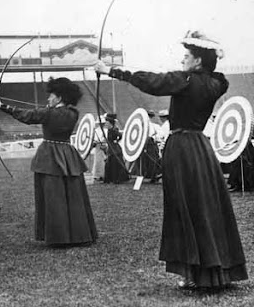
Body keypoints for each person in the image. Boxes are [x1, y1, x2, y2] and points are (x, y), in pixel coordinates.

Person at [95, 30, 248, 289]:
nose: (182, 61)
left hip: (181, 148)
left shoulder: (186, 80)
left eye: (187, 56)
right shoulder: (216, 83)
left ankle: (194, 274)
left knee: (184, 207)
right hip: (201, 147)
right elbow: (215, 77)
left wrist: (111, 70)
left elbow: (153, 82)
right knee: (207, 206)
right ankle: (215, 271)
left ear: (198, 61)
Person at [0, 77, 97, 246]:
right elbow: (42, 114)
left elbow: (27, 116)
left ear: (60, 97)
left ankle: (58, 237)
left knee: (53, 195)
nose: (48, 99)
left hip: (50, 155)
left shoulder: (48, 113)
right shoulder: (73, 113)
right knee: (73, 194)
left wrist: (2, 106)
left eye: (51, 96)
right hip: (68, 153)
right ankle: (79, 234)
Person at [103, 113, 130, 184]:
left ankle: (116, 178)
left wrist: (116, 141)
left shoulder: (114, 129)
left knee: (115, 162)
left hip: (115, 148)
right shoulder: (109, 130)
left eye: (107, 122)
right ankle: (110, 179)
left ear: (110, 123)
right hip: (111, 147)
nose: (106, 124)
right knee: (110, 162)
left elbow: (120, 135)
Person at [91, 115, 107, 182]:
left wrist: (103, 142)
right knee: (97, 161)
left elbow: (106, 138)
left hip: (104, 147)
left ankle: (103, 175)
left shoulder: (106, 130)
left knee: (104, 161)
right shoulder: (96, 130)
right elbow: (94, 139)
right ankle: (97, 175)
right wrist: (95, 142)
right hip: (98, 148)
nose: (102, 124)